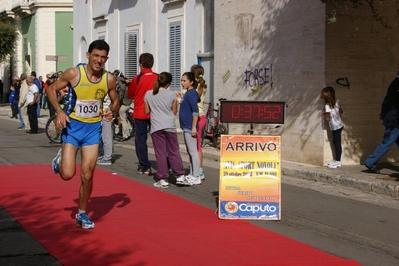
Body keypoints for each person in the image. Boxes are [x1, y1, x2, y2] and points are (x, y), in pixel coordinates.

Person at [47, 40, 119, 229]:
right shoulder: (74, 73)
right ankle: (60, 160)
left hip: (93, 130)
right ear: (88, 55)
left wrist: (112, 110)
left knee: (88, 174)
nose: (99, 60)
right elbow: (51, 90)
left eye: (103, 57)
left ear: (106, 59)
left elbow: (116, 100)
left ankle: (82, 213)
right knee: (67, 174)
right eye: (96, 55)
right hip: (72, 128)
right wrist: (59, 111)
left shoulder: (109, 79)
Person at [144, 72, 186, 188]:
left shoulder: (148, 94)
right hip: (169, 125)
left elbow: (146, 111)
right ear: (168, 83)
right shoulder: (172, 94)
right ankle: (180, 175)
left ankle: (163, 179)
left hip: (156, 126)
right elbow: (174, 111)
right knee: (173, 151)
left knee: (160, 153)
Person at [128, 53, 158, 175]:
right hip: (155, 112)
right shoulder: (158, 77)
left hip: (140, 112)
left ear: (140, 64)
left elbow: (130, 94)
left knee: (141, 140)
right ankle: (163, 163)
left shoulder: (137, 78)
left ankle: (145, 165)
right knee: (158, 140)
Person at [364, 72, 399, 173]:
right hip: (394, 120)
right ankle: (370, 161)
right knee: (387, 142)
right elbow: (388, 101)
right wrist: (383, 114)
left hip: (395, 119)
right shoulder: (396, 85)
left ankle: (371, 161)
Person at [177, 72, 201, 185]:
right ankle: (192, 174)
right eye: (182, 80)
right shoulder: (189, 93)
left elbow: (195, 112)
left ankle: (196, 176)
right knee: (190, 152)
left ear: (191, 82)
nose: (182, 83)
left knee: (193, 152)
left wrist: (193, 128)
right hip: (186, 126)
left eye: (184, 81)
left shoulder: (191, 94)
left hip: (189, 126)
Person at [321, 86, 344, 169]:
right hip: (339, 125)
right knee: (335, 142)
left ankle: (338, 162)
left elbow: (327, 118)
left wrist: (324, 113)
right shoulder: (336, 103)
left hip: (335, 126)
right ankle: (336, 160)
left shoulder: (327, 106)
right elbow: (341, 111)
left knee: (337, 143)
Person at [191, 64, 207, 180]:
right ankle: (198, 169)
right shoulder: (202, 86)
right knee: (197, 145)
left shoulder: (197, 88)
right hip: (202, 116)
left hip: (198, 117)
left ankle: (199, 170)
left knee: (196, 146)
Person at [97, 93, 114, 165]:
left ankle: (107, 157)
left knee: (106, 137)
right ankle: (103, 154)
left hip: (105, 113)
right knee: (103, 136)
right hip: (102, 113)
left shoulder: (107, 87)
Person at [116, 70, 132, 142]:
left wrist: (122, 78)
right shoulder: (129, 87)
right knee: (125, 119)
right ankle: (128, 133)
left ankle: (125, 135)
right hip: (129, 104)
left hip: (125, 104)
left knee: (123, 120)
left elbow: (118, 79)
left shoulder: (123, 87)